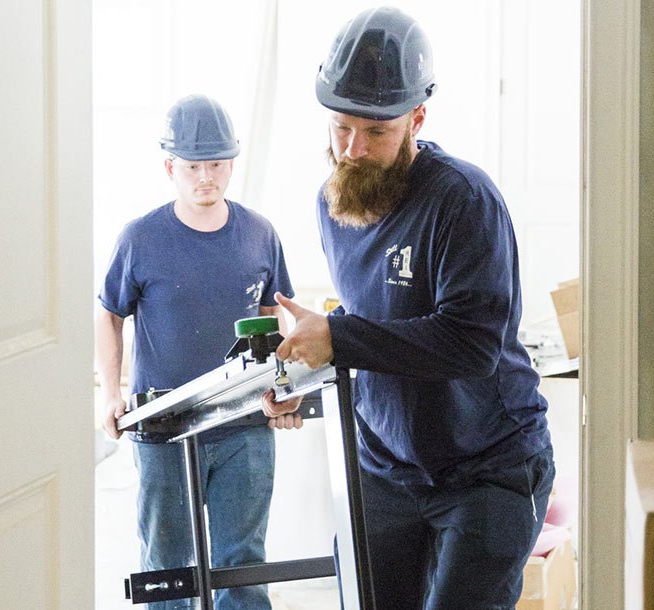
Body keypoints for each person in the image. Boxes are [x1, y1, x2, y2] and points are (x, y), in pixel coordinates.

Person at [262, 6, 556, 609]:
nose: (353, 149)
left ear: (416, 118)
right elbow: (374, 323)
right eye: (342, 128)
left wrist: (338, 338)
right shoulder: (333, 202)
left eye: (377, 132)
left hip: (488, 469)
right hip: (386, 466)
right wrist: (299, 374)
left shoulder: (463, 200)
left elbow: (470, 343)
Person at [96, 94, 300, 610]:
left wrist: (285, 387)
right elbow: (109, 314)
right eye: (193, 166)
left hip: (245, 426)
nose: (206, 176)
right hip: (164, 428)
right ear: (170, 167)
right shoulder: (140, 238)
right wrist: (110, 395)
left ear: (232, 163)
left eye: (217, 163)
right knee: (167, 567)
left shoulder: (259, 234)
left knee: (242, 564)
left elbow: (279, 315)